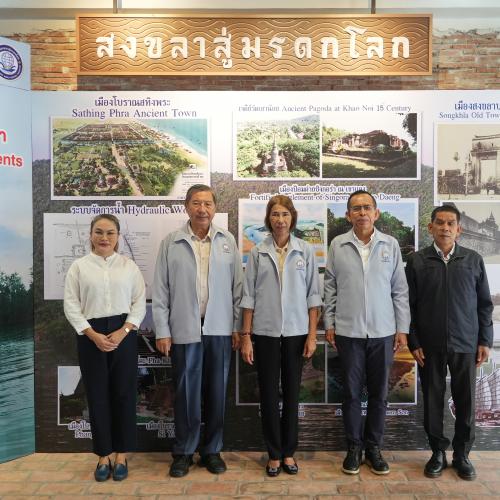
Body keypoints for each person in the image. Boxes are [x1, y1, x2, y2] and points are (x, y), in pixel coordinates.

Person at [152, 184, 244, 478]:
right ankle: (183, 452)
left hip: (220, 330)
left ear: (215, 208)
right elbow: (161, 290)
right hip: (184, 329)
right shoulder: (172, 242)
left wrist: (237, 328)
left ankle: (211, 451)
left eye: (207, 203)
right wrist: (162, 330)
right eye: (196, 203)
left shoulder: (227, 241)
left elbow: (238, 290)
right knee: (186, 394)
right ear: (186, 206)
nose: (202, 209)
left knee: (217, 393)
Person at [324, 190, 410, 475]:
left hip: (383, 332)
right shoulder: (338, 244)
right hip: (348, 332)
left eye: (367, 207)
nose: (362, 213)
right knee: (350, 393)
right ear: (348, 214)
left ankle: (373, 448)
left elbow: (400, 290)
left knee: (379, 394)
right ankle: (353, 447)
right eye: (356, 208)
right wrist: (330, 324)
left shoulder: (390, 244)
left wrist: (402, 328)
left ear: (376, 213)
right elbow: (330, 287)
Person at [405, 205, 493, 481]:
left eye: (450, 223)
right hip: (429, 345)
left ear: (459, 229)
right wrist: (414, 340)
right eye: (440, 223)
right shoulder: (417, 261)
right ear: (430, 227)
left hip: (466, 343)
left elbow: (484, 305)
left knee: (466, 401)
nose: (445, 228)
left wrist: (485, 340)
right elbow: (408, 306)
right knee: (433, 400)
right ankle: (437, 452)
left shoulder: (473, 260)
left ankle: (462, 454)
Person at [240, 195, 321, 477]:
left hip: (297, 333)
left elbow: (313, 296)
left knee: (292, 393)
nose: (280, 220)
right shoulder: (258, 252)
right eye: (275, 214)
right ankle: (273, 453)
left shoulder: (305, 251)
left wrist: (312, 335)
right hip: (265, 332)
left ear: (292, 218)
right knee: (268, 394)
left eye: (285, 214)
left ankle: (289, 452)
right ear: (268, 219)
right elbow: (248, 296)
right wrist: (246, 335)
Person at [63, 214, 146, 482]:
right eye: (98, 232)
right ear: (90, 235)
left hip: (124, 333)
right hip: (91, 335)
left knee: (124, 394)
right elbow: (71, 305)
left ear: (118, 237)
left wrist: (124, 331)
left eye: (110, 233)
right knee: (97, 396)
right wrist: (92, 334)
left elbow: (139, 303)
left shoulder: (129, 267)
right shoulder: (78, 267)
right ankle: (103, 455)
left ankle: (121, 455)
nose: (104, 237)